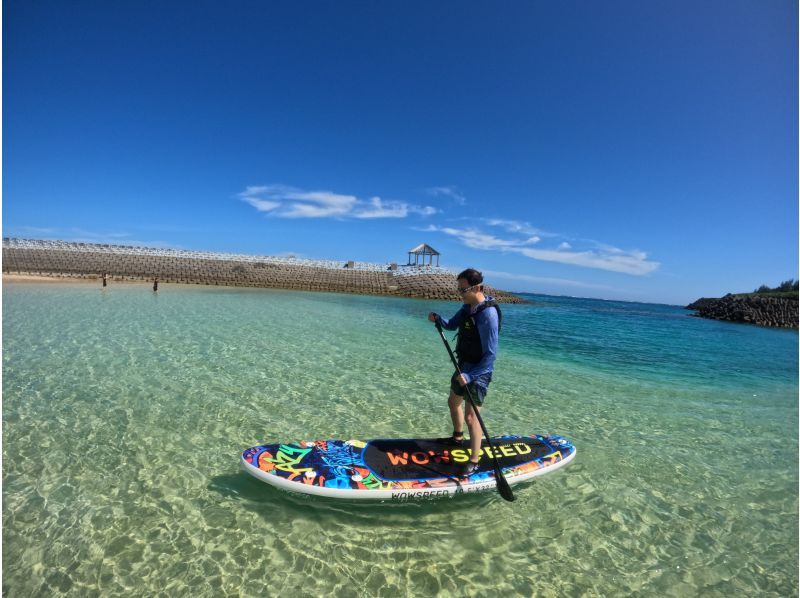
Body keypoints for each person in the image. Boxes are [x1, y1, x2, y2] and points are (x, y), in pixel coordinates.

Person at [428, 268, 501, 475]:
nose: (460, 294)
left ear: (477, 287)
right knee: (453, 402)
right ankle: (457, 438)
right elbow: (452, 325)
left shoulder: (488, 315)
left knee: (472, 416)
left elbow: (490, 355)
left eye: (463, 290)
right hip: (464, 365)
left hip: (480, 371)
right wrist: (438, 319)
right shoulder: (468, 307)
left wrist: (470, 376)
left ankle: (475, 459)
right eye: (459, 289)